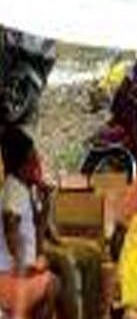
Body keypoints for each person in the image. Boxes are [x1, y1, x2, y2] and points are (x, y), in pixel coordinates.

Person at [0, 128, 59, 319]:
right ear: (23, 165)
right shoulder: (14, 190)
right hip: (8, 277)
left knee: (52, 277)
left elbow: (38, 233)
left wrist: (46, 203)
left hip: (16, 272)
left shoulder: (23, 189)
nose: (38, 164)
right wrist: (23, 270)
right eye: (34, 159)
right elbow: (10, 225)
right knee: (52, 284)